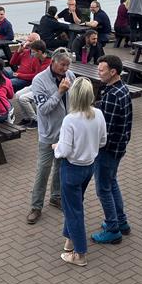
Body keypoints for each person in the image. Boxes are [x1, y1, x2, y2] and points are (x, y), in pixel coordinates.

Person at [55, 77, 107, 267]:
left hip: (71, 169)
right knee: (75, 205)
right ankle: (69, 239)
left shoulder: (70, 120)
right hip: (89, 167)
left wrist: (56, 147)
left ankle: (80, 253)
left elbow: (64, 151)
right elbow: (102, 142)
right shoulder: (98, 114)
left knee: (73, 211)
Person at [26, 49, 76, 225]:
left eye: (68, 65)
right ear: (53, 62)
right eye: (63, 65)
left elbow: (74, 100)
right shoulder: (39, 80)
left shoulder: (70, 74)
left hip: (67, 132)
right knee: (43, 169)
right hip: (48, 134)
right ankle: (36, 206)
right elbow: (44, 109)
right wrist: (60, 92)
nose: (66, 68)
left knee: (61, 166)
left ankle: (56, 197)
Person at [90, 55, 133, 245]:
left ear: (113, 72)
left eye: (101, 70)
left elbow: (104, 130)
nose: (98, 73)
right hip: (119, 147)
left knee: (103, 189)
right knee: (112, 183)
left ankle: (113, 228)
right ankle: (121, 221)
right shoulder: (121, 88)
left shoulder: (112, 96)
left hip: (108, 150)